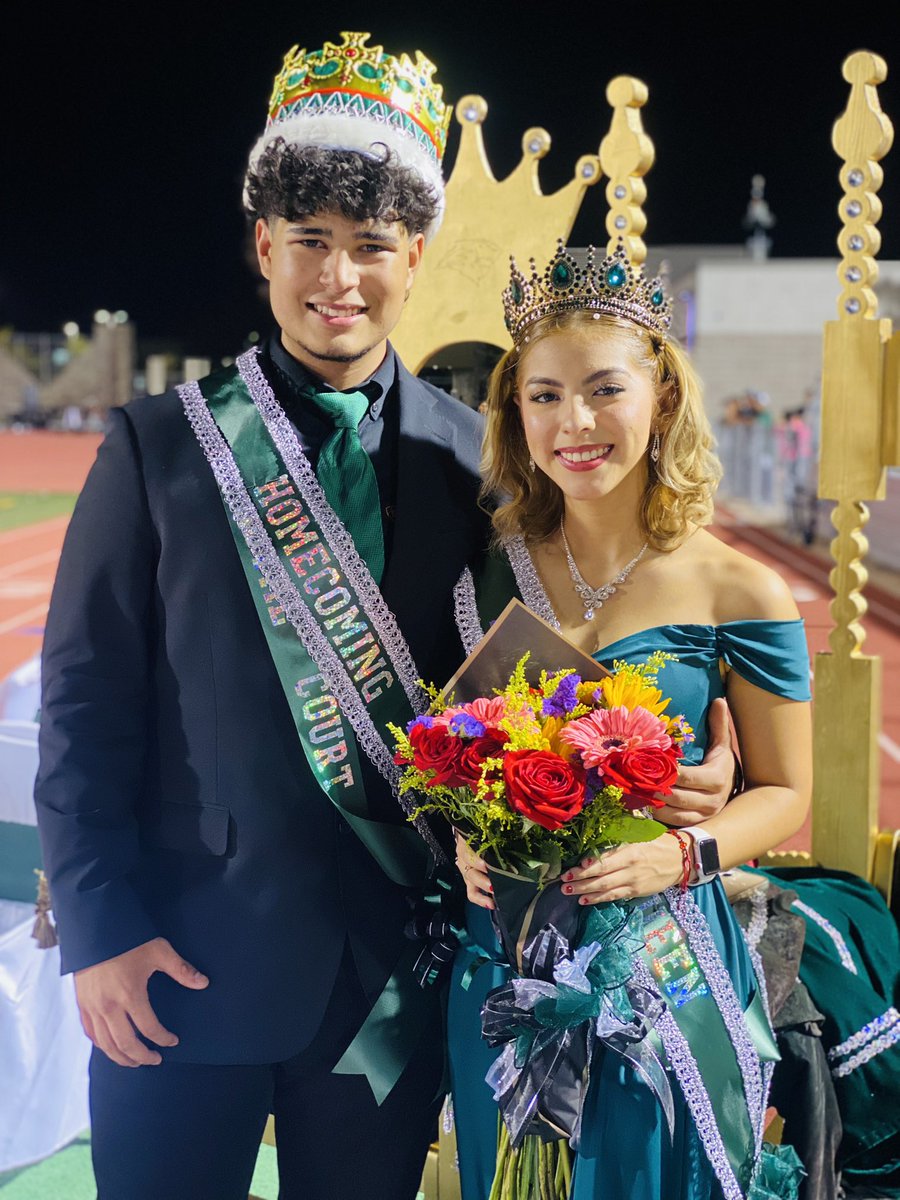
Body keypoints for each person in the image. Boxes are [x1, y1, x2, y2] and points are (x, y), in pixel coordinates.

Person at [34, 35, 736, 1199]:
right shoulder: (158, 447)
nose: (339, 277)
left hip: (389, 985)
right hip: (175, 970)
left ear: (416, 256)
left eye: (370, 246)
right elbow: (84, 702)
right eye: (310, 241)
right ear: (264, 246)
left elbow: (540, 685)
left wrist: (659, 781)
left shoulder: (484, 460)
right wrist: (102, 927)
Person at [450, 242, 813, 1199]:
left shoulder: (741, 585)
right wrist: (460, 840)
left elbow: (786, 792)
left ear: (661, 396)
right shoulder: (479, 571)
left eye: (604, 389)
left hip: (663, 958)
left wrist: (680, 855)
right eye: (544, 396)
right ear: (514, 410)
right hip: (506, 959)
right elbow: (447, 753)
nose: (574, 422)